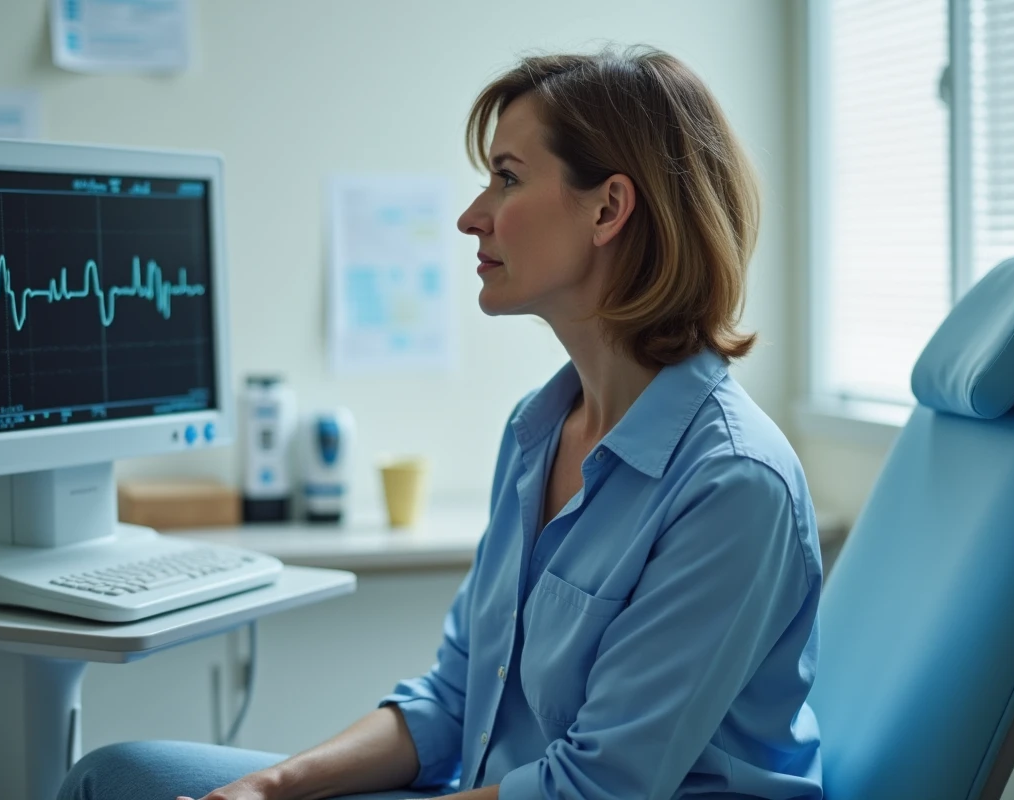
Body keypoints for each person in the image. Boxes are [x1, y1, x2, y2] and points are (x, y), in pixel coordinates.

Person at [60, 45, 823, 800]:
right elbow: (455, 701)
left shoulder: (732, 484)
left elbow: (595, 789)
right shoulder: (537, 431)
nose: (471, 216)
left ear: (608, 208)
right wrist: (271, 788)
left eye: (507, 178)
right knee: (117, 776)